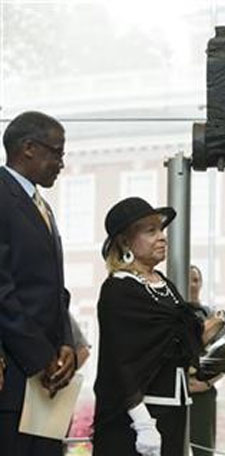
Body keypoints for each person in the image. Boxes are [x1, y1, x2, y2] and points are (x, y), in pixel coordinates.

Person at [92, 197, 225, 456]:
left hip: (173, 412)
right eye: (151, 231)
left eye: (161, 229)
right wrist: (142, 422)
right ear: (125, 242)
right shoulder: (119, 289)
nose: (162, 237)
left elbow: (187, 339)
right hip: (137, 418)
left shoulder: (163, 284)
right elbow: (119, 363)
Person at [0, 111, 76, 456]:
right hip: (14, 376)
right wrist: (41, 355)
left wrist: (66, 343)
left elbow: (54, 291)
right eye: (57, 152)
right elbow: (3, 290)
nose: (61, 163)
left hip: (46, 379)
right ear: (29, 147)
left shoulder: (41, 206)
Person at [188, 264, 223, 456]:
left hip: (202, 394)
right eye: (188, 280)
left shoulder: (210, 316)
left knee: (203, 449)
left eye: (196, 280)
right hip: (172, 392)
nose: (192, 285)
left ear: (201, 283)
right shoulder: (167, 314)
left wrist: (207, 384)